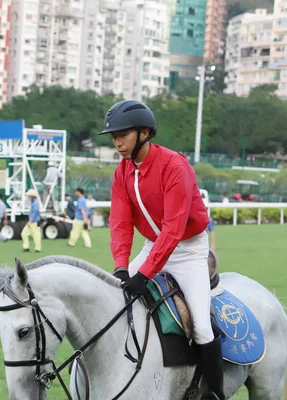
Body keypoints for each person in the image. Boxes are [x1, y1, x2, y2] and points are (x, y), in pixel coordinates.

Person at [100, 99, 224, 400]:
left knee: (201, 327)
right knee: (113, 303)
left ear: (144, 133)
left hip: (188, 250)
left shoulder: (174, 165)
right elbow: (119, 221)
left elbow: (174, 228)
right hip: (153, 246)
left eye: (123, 135)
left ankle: (216, 393)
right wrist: (120, 265)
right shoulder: (122, 172)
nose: (117, 143)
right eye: (114, 137)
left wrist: (144, 273)